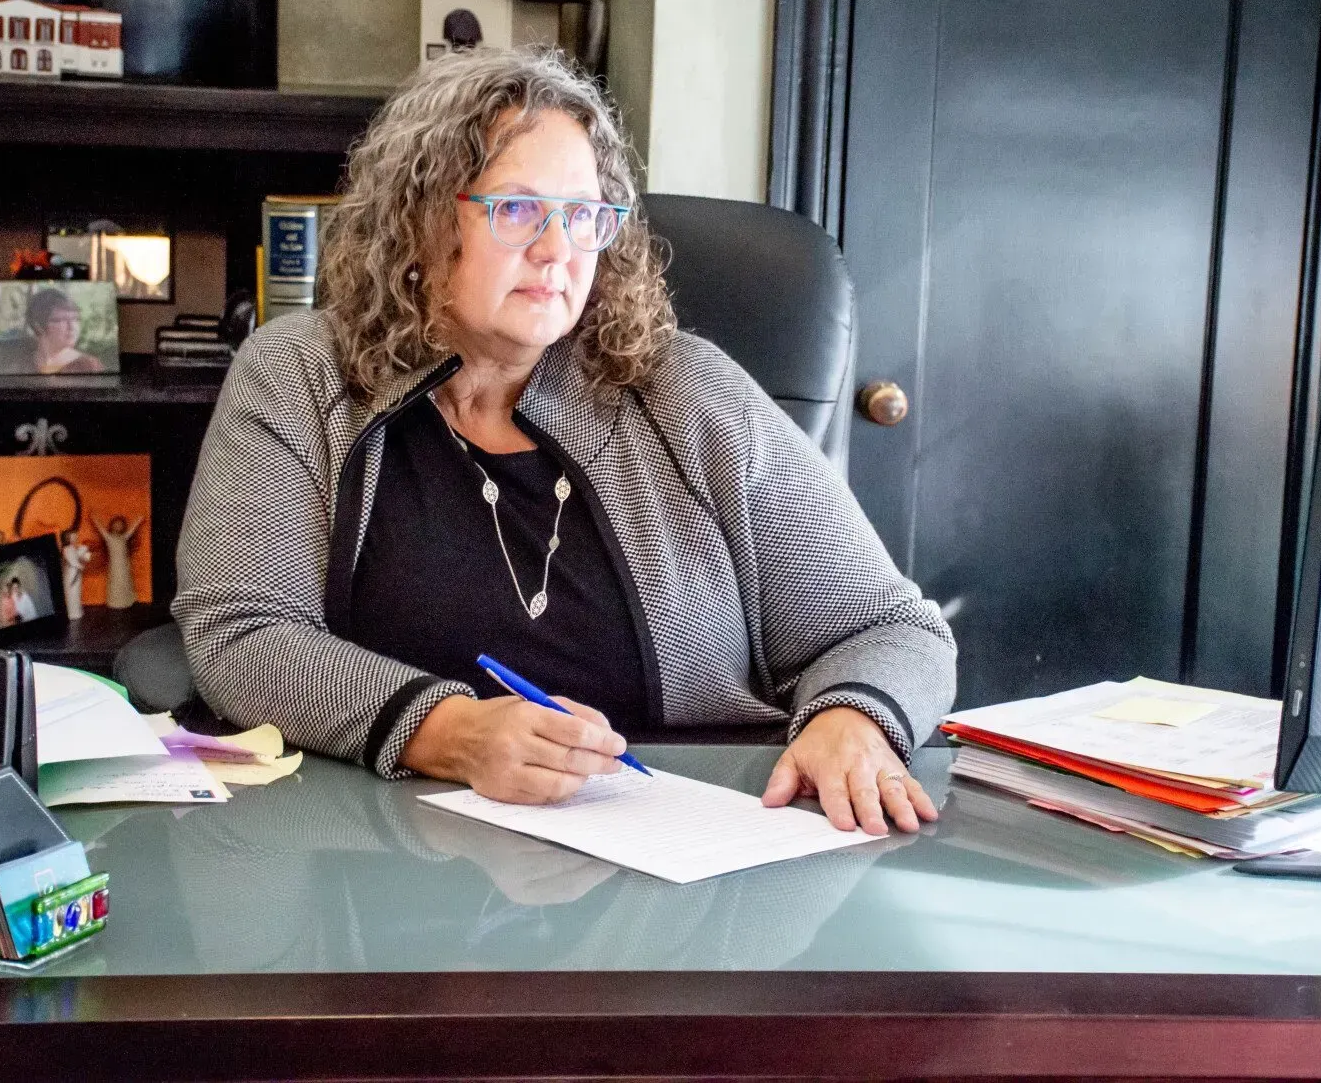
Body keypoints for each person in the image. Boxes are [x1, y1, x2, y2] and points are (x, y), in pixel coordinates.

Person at [176, 47, 957, 836]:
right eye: (516, 209)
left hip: (685, 864)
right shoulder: (301, 375)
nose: (558, 251)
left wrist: (852, 720)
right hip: (389, 857)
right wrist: (449, 731)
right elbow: (242, 630)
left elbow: (892, 628)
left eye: (584, 215)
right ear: (419, 220)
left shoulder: (687, 390)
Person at [25, 288, 104, 374]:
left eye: (76, 319)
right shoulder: (21, 362)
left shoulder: (89, 366)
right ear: (38, 326)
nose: (72, 327)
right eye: (61, 320)